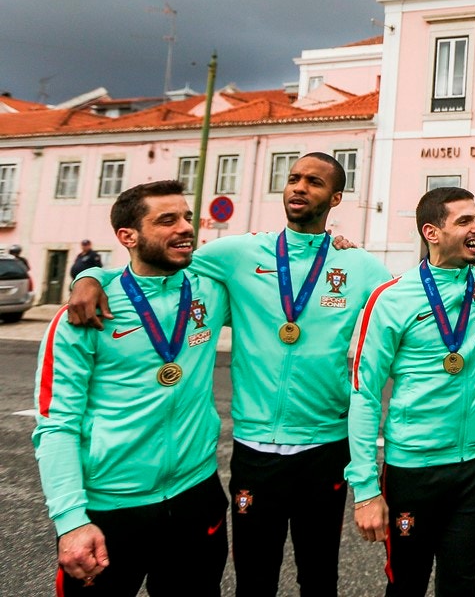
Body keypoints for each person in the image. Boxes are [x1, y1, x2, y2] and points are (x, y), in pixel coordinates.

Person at [67, 153, 390, 597]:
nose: (298, 187)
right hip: (255, 450)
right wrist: (89, 277)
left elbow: (410, 309)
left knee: (320, 575)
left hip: (324, 447)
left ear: (335, 197)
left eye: (313, 182)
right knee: (254, 577)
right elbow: (154, 262)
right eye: (293, 178)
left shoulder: (361, 266)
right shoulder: (237, 253)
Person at [34, 180, 229, 595]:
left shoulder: (211, 289)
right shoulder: (85, 314)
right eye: (167, 220)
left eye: (187, 217)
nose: (186, 228)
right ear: (128, 236)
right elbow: (56, 425)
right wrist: (71, 521)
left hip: (196, 495)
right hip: (111, 507)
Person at [348, 186, 475, 597]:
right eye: (465, 221)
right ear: (431, 232)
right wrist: (365, 490)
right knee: (406, 583)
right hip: (413, 470)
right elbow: (364, 394)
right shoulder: (391, 298)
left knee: (463, 583)